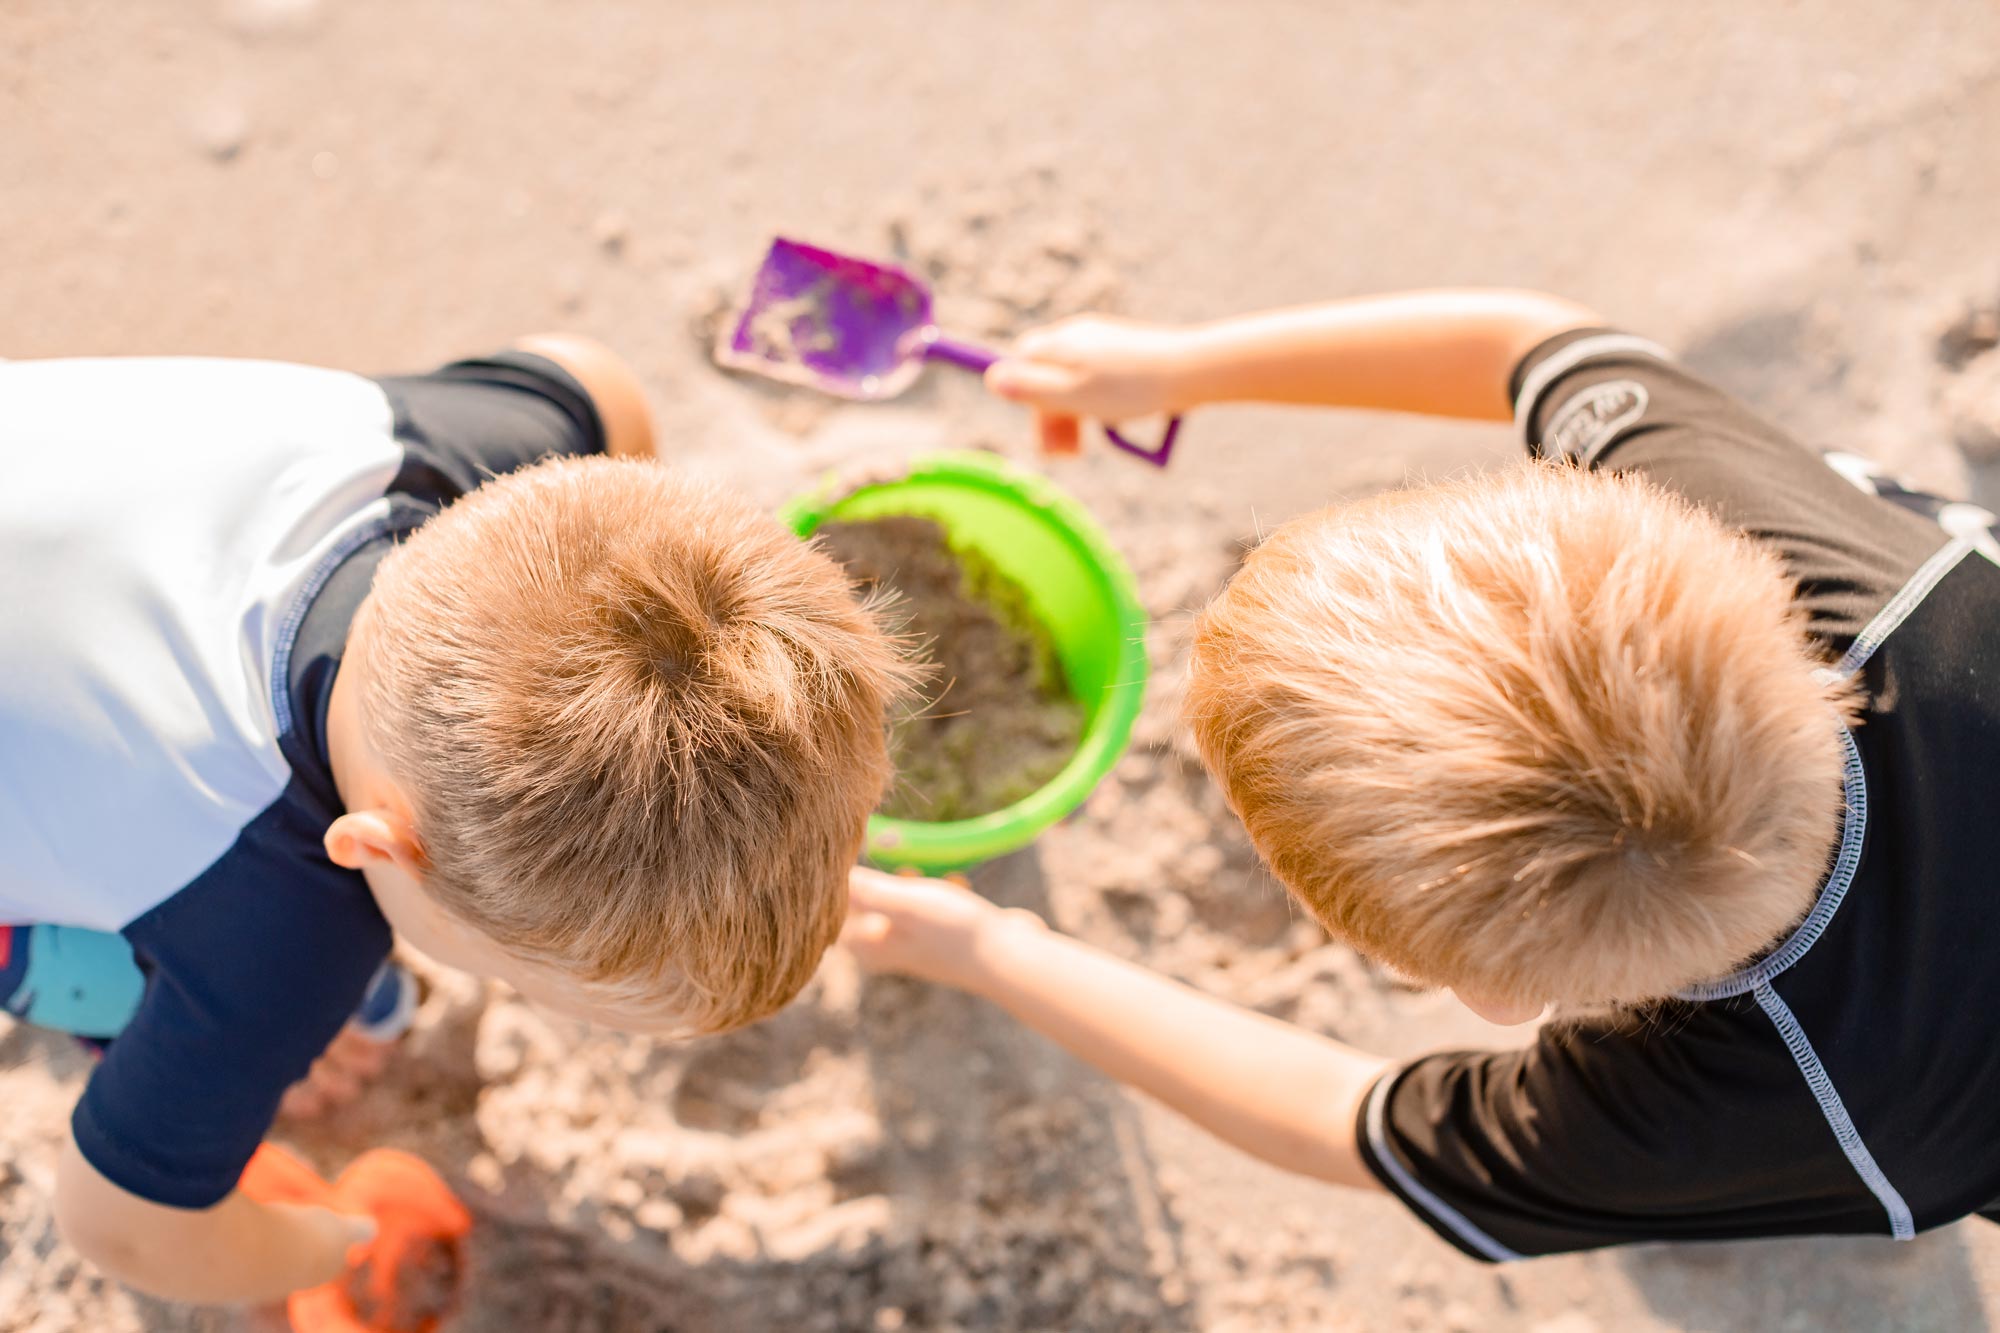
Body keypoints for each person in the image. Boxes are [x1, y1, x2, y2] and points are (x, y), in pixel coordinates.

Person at [844, 289, 2000, 1258]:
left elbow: (1341, 1119)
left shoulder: (1764, 1109)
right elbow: (1521, 344)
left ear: (1500, 1003)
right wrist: (1173, 367)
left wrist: (996, 951)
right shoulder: (1796, 546)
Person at [1, 336, 910, 1303]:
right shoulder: (286, 934)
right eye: (520, 974)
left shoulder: (488, 443)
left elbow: (600, 381)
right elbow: (125, 1230)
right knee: (175, 992)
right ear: (374, 849)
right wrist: (323, 1245)